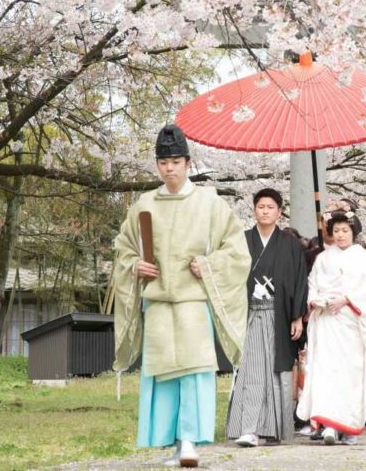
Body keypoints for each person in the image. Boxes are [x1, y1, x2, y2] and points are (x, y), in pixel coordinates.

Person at [112, 124, 250, 468]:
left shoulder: (209, 203)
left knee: (193, 371)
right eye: (163, 162)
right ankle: (173, 443)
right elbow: (124, 249)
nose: (169, 168)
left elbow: (236, 251)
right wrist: (135, 266)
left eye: (175, 160)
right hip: (157, 303)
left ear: (188, 163)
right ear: (157, 166)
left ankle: (190, 440)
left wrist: (208, 264)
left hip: (192, 302)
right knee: (161, 374)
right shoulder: (144, 205)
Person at [296, 212, 366, 445]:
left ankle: (349, 425)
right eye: (336, 231)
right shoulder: (323, 258)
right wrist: (316, 300)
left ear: (353, 232)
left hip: (350, 320)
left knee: (350, 372)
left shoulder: (364, 257)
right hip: (327, 320)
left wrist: (347, 299)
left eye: (344, 231)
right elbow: (312, 284)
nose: (340, 235)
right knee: (326, 370)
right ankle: (328, 424)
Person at [226, 188, 308, 447]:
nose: (265, 211)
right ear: (254, 210)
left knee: (277, 373)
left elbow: (299, 280)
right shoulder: (242, 240)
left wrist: (297, 317)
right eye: (260, 206)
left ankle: (273, 430)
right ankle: (249, 428)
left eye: (270, 207)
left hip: (279, 315)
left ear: (279, 212)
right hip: (250, 314)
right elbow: (231, 277)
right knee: (251, 371)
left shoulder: (289, 244)